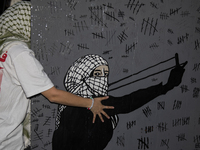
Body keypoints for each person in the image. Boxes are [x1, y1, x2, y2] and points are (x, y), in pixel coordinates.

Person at [0, 2, 113, 150]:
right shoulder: (19, 52)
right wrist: (91, 104)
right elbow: (53, 95)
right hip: (7, 139)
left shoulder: (4, 47)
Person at [52, 54, 186, 150]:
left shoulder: (71, 103)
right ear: (82, 76)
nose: (103, 79)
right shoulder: (93, 103)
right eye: (98, 74)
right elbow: (130, 102)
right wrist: (166, 87)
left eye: (105, 74)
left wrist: (167, 87)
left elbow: (129, 101)